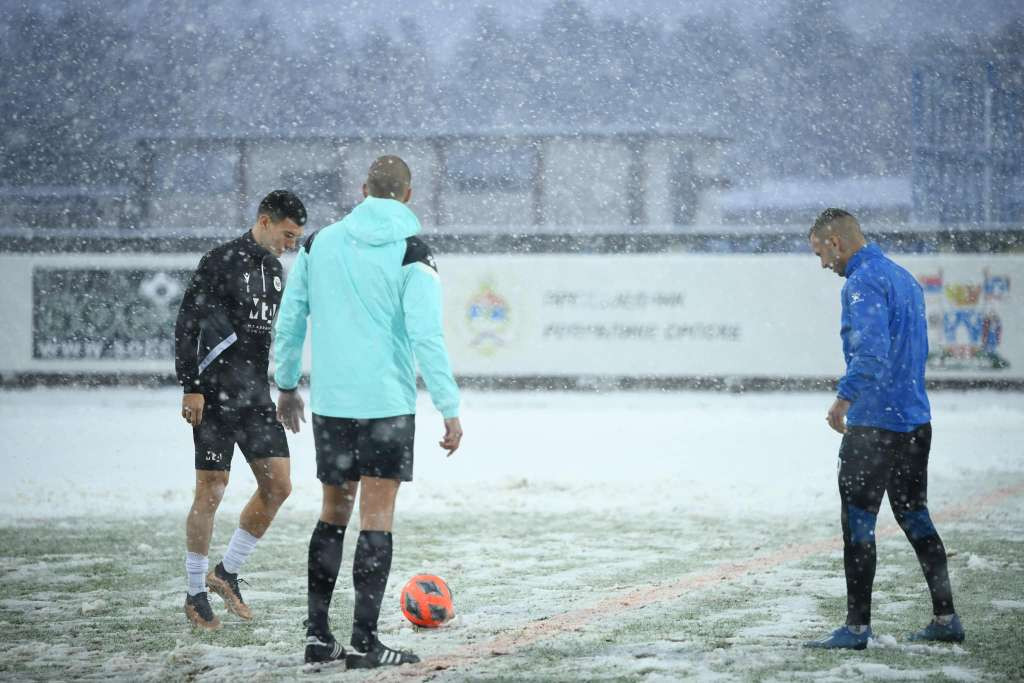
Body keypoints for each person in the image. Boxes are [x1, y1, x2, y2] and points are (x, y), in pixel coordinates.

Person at [274, 156, 463, 668]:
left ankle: (317, 637)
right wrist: (449, 407)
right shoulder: (413, 253)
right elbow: (427, 337)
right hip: (386, 405)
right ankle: (364, 641)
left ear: (363, 190)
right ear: (407, 195)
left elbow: (291, 318)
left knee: (332, 513)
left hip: (333, 405)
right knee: (376, 518)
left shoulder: (319, 243)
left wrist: (286, 383)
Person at [804, 208, 964, 650]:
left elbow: (871, 351)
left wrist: (844, 398)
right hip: (915, 420)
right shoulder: (903, 278)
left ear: (835, 242)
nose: (822, 264)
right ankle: (946, 617)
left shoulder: (862, 282)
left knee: (858, 525)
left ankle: (856, 628)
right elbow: (913, 351)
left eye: (820, 253)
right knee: (915, 516)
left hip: (875, 426)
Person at [174, 190, 307, 629]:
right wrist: (191, 386)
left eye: (296, 237)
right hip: (213, 396)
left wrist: (284, 389)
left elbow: (273, 337)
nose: (291, 243)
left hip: (254, 399)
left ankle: (226, 573)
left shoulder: (274, 270)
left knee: (279, 487)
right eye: (287, 234)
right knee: (211, 489)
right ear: (264, 221)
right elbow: (187, 323)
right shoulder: (219, 259)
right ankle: (195, 593)